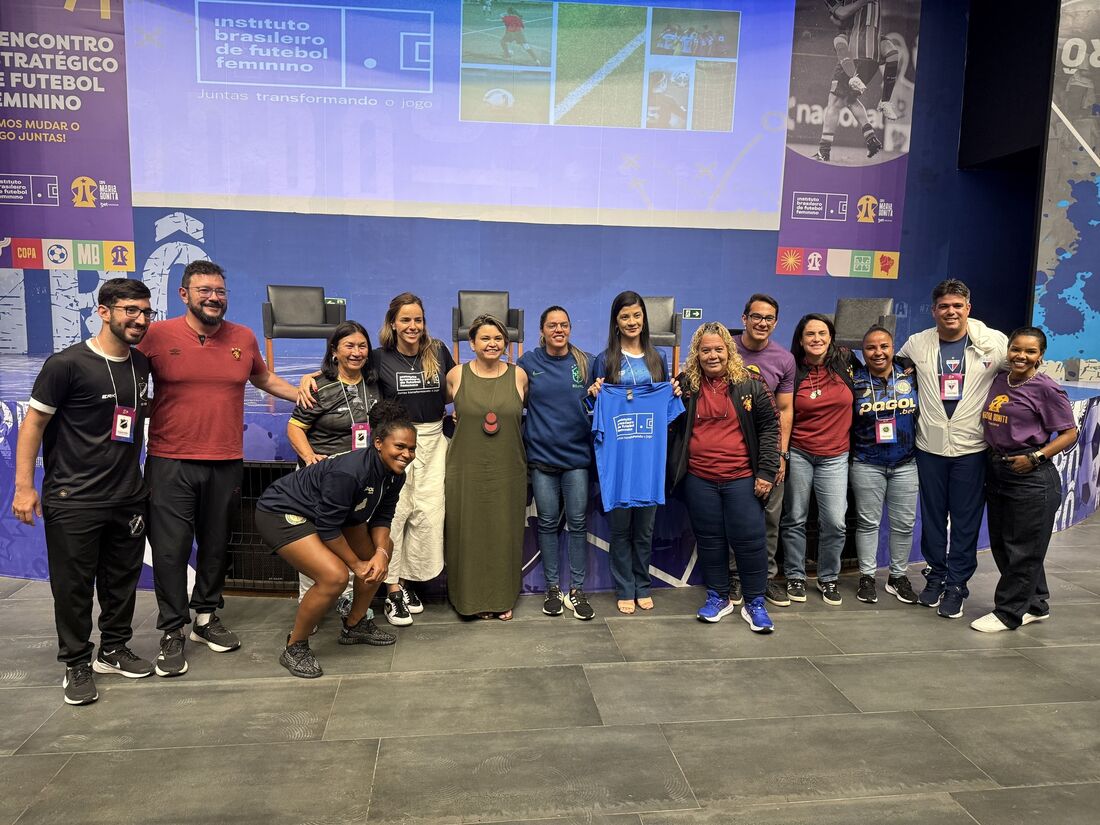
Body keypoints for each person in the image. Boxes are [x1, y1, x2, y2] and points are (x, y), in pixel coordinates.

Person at [138, 260, 302, 677]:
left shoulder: (243, 337)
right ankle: (172, 629)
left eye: (220, 291)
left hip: (226, 460)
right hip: (170, 461)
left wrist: (304, 394)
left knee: (217, 545)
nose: (213, 298)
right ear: (184, 295)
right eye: (204, 290)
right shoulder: (156, 336)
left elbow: (265, 379)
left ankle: (206, 617)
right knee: (171, 550)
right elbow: (123, 375)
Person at [13, 278, 155, 705]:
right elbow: (33, 425)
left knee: (121, 581)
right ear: (104, 312)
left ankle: (113, 649)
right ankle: (76, 662)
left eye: (146, 312)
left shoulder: (141, 364)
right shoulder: (66, 364)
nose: (140, 319)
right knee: (73, 587)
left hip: (127, 496)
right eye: (130, 310)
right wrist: (24, 486)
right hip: (73, 498)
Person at [255, 402, 414, 676]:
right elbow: (328, 528)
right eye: (399, 446)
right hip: (281, 511)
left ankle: (355, 625)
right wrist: (356, 565)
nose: (406, 454)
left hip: (333, 515)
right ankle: (295, 647)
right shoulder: (350, 472)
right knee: (335, 577)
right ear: (378, 443)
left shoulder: (395, 474)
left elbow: (382, 517)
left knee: (381, 551)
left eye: (411, 449)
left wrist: (380, 554)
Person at [897, 278, 1008, 619]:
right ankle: (935, 576)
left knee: (965, 521)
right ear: (933, 310)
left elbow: (1020, 371)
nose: (951, 311)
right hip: (929, 447)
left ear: (968, 309)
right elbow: (899, 369)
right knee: (932, 518)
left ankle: (957, 584)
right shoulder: (917, 343)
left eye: (958, 306)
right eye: (944, 306)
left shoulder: (993, 343)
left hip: (970, 448)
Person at [668, 323, 780, 633]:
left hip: (742, 478)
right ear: (697, 353)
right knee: (710, 541)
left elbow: (770, 428)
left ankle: (755, 602)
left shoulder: (752, 383)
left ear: (729, 351)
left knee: (750, 541)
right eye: (705, 350)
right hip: (700, 479)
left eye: (719, 349)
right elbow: (669, 421)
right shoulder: (686, 385)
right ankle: (718, 597)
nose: (713, 355)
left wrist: (766, 472)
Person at [971, 328, 1078, 633]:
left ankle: (1008, 612)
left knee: (1023, 549)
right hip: (998, 469)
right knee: (1005, 545)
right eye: (1016, 349)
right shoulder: (1000, 379)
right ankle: (1036, 604)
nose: (1021, 356)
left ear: (1040, 356)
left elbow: (1070, 433)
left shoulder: (1046, 388)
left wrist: (1036, 457)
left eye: (1030, 352)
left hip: (1030, 476)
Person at [286, 321, 382, 621]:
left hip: (358, 478)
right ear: (334, 351)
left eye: (362, 346)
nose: (356, 352)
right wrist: (309, 457)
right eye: (349, 346)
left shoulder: (374, 383)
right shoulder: (319, 386)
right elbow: (295, 427)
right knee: (315, 540)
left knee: (352, 536)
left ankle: (348, 604)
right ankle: (309, 608)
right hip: (322, 477)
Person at [590, 291, 678, 615]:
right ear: (616, 321)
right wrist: (595, 394)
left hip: (648, 459)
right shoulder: (605, 360)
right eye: (625, 316)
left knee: (644, 531)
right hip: (619, 459)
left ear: (644, 318)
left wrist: (673, 392)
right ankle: (624, 587)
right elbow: (593, 409)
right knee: (620, 530)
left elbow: (666, 408)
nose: (632, 322)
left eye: (637, 315)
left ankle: (643, 584)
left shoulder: (658, 358)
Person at [373, 293, 456, 626]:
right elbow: (343, 373)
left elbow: (457, 387)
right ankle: (391, 589)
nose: (412, 326)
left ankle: (406, 583)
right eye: (405, 319)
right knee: (395, 515)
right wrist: (311, 378)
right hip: (397, 444)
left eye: (417, 319)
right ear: (393, 323)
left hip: (434, 442)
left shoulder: (437, 351)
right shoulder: (379, 358)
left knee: (428, 515)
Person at [445, 314, 529, 619]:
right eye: (485, 338)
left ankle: (501, 597)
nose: (492, 344)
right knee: (467, 533)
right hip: (465, 470)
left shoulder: (520, 376)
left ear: (505, 343)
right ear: (472, 343)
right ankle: (470, 599)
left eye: (498, 339)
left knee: (504, 532)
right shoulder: (456, 375)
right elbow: (430, 409)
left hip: (508, 470)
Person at [518, 306, 595, 621]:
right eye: (552, 325)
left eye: (564, 325)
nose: (558, 330)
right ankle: (552, 589)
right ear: (542, 330)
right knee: (548, 524)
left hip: (576, 459)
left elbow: (608, 393)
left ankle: (576, 590)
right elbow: (509, 396)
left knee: (577, 525)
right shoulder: (528, 363)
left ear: (570, 328)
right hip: (542, 460)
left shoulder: (586, 362)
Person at [781, 314, 858, 606]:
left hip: (835, 455)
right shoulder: (792, 369)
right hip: (800, 452)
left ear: (831, 337)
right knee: (795, 518)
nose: (817, 339)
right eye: (810, 334)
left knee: (835, 522)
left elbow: (877, 370)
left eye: (822, 333)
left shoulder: (846, 362)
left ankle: (828, 578)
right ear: (801, 340)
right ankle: (795, 576)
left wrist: (904, 363)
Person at [732, 294, 796, 607]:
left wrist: (781, 455)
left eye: (769, 318)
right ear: (744, 318)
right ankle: (734, 578)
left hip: (769, 449)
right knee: (734, 516)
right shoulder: (726, 349)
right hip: (732, 449)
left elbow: (785, 409)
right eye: (756, 316)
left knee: (770, 518)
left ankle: (765, 578)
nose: (762, 323)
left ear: (776, 322)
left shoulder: (784, 359)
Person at [849, 325, 921, 605]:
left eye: (884, 346)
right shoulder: (854, 379)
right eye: (871, 347)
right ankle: (867, 577)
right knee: (868, 523)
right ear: (862, 351)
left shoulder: (911, 374)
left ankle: (898, 576)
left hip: (905, 462)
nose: (878, 352)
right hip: (867, 462)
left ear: (893, 348)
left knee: (904, 524)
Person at [814, 0, 898, 161]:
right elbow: (840, 14)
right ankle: (871, 138)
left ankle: (823, 152)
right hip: (862, 46)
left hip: (859, 49)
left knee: (834, 102)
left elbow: (839, 16)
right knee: (849, 99)